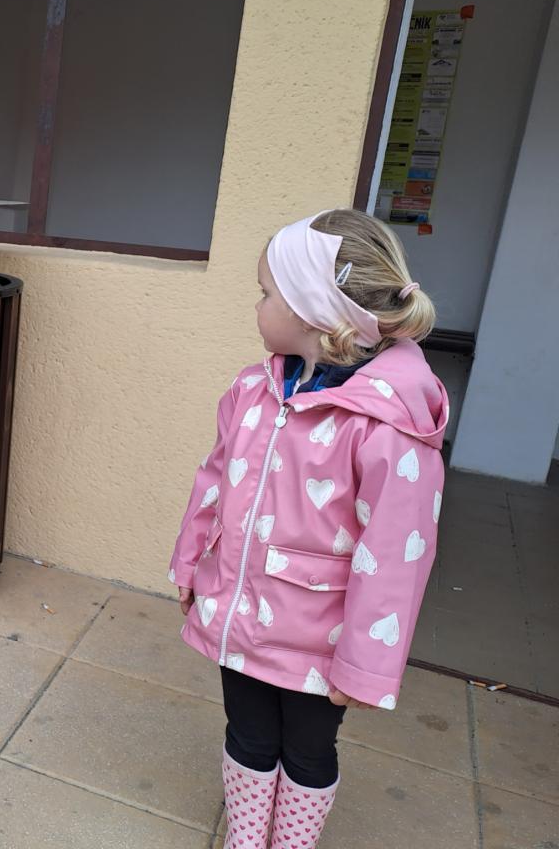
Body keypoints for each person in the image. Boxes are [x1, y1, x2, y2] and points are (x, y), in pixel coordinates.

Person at [168, 209, 447, 848]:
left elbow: (396, 557)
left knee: (308, 750)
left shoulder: (386, 426)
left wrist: (366, 663)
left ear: (314, 311)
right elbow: (214, 479)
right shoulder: (253, 390)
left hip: (321, 639)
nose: (257, 305)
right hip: (240, 612)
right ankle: (246, 838)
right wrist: (191, 562)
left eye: (267, 293)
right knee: (247, 735)